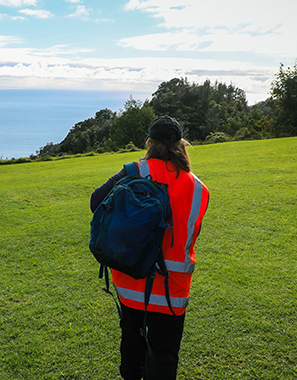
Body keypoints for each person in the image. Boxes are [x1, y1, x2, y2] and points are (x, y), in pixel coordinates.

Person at [90, 115, 210, 380]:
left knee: (133, 346)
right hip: (172, 289)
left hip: (131, 281)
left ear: (150, 142)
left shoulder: (134, 171)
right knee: (164, 354)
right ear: (181, 144)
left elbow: (96, 200)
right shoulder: (200, 189)